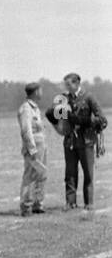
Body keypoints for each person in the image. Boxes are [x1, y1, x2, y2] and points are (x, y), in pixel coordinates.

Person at [45, 72, 106, 212]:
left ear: (77, 83)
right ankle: (70, 203)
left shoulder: (89, 97)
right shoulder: (64, 99)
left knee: (88, 173)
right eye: (65, 84)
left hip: (87, 141)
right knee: (70, 173)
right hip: (70, 142)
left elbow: (102, 120)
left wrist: (85, 121)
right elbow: (50, 113)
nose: (66, 87)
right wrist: (59, 117)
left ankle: (89, 203)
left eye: (68, 84)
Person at [17, 82, 47, 216]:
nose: (42, 93)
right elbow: (26, 130)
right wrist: (32, 149)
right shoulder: (26, 109)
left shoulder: (35, 108)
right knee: (30, 176)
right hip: (33, 148)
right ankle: (26, 206)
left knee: (41, 174)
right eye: (40, 90)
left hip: (41, 146)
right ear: (35, 92)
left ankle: (37, 204)